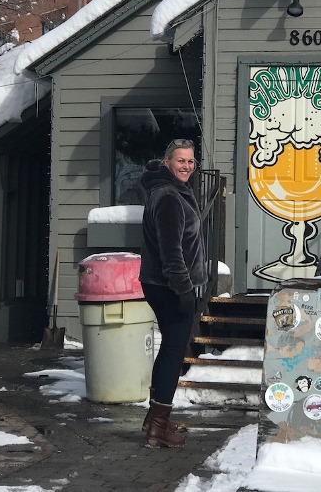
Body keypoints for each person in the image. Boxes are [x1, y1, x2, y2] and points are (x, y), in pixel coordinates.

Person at [139, 138, 207, 448]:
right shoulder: (168, 196)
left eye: (191, 161)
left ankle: (154, 420)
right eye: (181, 160)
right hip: (169, 285)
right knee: (174, 351)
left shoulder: (171, 191)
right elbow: (171, 251)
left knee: (170, 349)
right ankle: (158, 428)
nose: (187, 166)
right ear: (167, 163)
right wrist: (183, 289)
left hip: (162, 283)